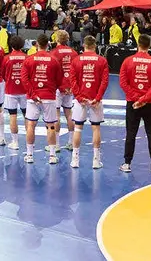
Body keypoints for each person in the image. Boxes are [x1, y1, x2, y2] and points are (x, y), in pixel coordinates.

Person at [119, 33, 151, 174]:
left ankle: (127, 164)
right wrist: (144, 99)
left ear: (138, 44)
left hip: (133, 104)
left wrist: (136, 98)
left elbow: (123, 83)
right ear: (149, 46)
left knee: (131, 133)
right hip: (149, 104)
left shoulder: (127, 61)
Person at [22, 34, 62, 164]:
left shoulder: (29, 59)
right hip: (49, 97)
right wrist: (51, 89)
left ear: (37, 44)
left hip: (33, 98)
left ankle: (29, 155)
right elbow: (59, 79)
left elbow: (25, 79)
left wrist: (32, 94)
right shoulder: (54, 60)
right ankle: (52, 156)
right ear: (48, 44)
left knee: (31, 125)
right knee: (50, 126)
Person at [70, 35, 109, 169]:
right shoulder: (102, 61)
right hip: (95, 100)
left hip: (80, 100)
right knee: (96, 128)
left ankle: (75, 159)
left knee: (78, 128)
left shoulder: (76, 60)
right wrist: (97, 98)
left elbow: (73, 81)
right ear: (95, 46)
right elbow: (104, 82)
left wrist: (79, 97)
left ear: (84, 45)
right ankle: (96, 160)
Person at [53, 30, 79, 148]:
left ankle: (56, 144)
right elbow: (77, 70)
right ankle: (71, 142)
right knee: (69, 113)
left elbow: (51, 72)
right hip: (70, 87)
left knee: (56, 114)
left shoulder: (54, 53)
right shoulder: (74, 53)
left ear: (57, 39)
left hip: (58, 87)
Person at [2, 35, 29, 150]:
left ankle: (15, 142)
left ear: (11, 45)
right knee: (27, 116)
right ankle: (29, 141)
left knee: (13, 115)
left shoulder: (7, 58)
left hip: (11, 90)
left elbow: (3, 74)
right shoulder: (27, 58)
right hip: (24, 90)